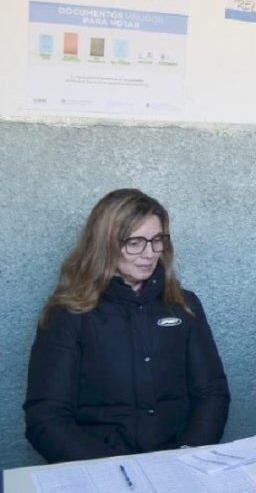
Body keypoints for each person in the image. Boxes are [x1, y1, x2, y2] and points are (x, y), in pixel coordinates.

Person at [24, 189, 230, 463]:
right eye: (135, 242)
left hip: (177, 465)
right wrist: (114, 470)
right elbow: (45, 418)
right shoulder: (67, 314)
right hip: (100, 469)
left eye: (157, 240)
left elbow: (212, 394)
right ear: (104, 244)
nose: (149, 253)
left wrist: (187, 456)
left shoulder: (183, 305)